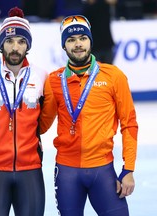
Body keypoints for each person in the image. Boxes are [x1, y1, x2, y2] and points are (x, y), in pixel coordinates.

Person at [40, 15, 138, 215]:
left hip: (102, 169)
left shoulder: (113, 76)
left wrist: (128, 169)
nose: (78, 44)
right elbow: (41, 125)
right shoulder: (53, 80)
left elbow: (129, 124)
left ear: (90, 41)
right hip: (67, 171)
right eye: (71, 40)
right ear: (63, 46)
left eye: (82, 38)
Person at [0, 7, 47, 216]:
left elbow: (46, 119)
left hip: (31, 170)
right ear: (1, 44)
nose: (15, 48)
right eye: (10, 41)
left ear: (28, 46)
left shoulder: (41, 77)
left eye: (21, 42)